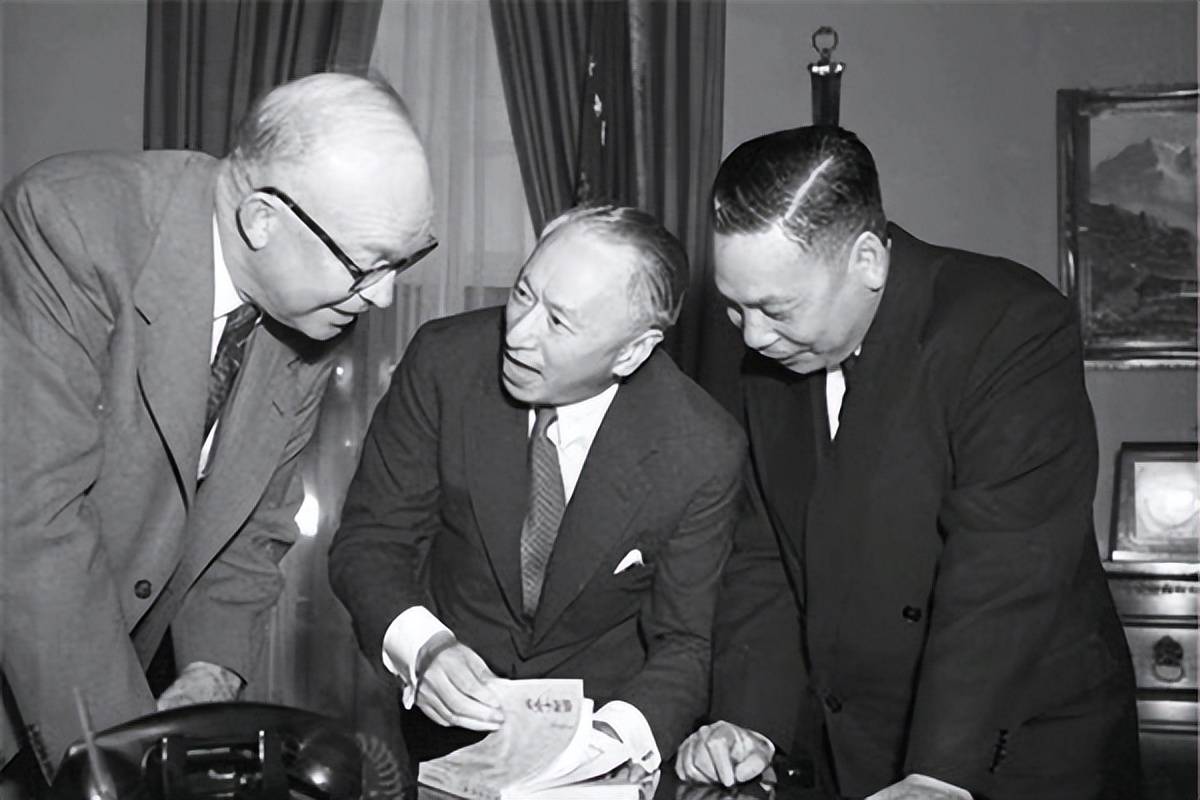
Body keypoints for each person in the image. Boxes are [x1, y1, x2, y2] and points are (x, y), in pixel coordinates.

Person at [0, 72, 436, 790]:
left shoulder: (311, 309)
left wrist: (212, 671)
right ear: (262, 219)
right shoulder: (68, 225)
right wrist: (132, 766)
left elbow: (254, 522)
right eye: (370, 262)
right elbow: (33, 524)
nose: (384, 294)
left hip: (125, 678)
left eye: (406, 260)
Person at [675, 126, 1139, 800]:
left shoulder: (1008, 324)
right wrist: (750, 722)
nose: (753, 335)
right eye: (734, 307)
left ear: (866, 259)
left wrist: (937, 773)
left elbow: (1004, 569)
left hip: (1015, 748)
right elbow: (766, 553)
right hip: (853, 746)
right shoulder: (770, 357)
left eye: (776, 308)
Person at [328, 205, 746, 775]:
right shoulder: (445, 362)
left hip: (601, 743)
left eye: (558, 322)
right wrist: (423, 648)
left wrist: (608, 745)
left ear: (632, 351)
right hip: (443, 735)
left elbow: (685, 642)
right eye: (523, 294)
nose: (519, 335)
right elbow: (373, 541)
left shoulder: (701, 447)